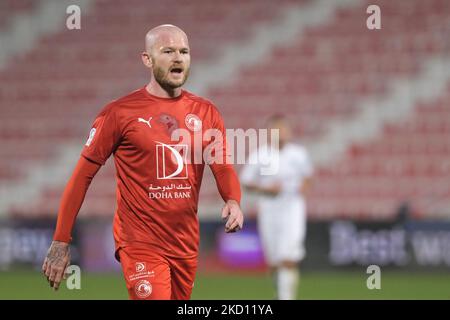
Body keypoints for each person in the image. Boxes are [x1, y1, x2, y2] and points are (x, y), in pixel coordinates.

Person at [42, 24, 244, 300]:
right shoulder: (119, 113)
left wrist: (232, 199)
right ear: (147, 59)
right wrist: (61, 240)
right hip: (140, 241)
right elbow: (81, 177)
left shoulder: (206, 112)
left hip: (184, 242)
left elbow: (221, 164)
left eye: (184, 51)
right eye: (168, 51)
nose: (178, 57)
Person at [240, 114, 313, 300]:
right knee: (274, 262)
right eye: (276, 129)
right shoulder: (261, 155)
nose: (281, 133)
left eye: (283, 129)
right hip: (269, 210)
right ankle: (280, 292)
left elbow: (307, 178)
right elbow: (246, 181)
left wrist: (298, 189)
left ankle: (285, 298)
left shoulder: (298, 154)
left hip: (292, 209)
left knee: (288, 257)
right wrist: (266, 189)